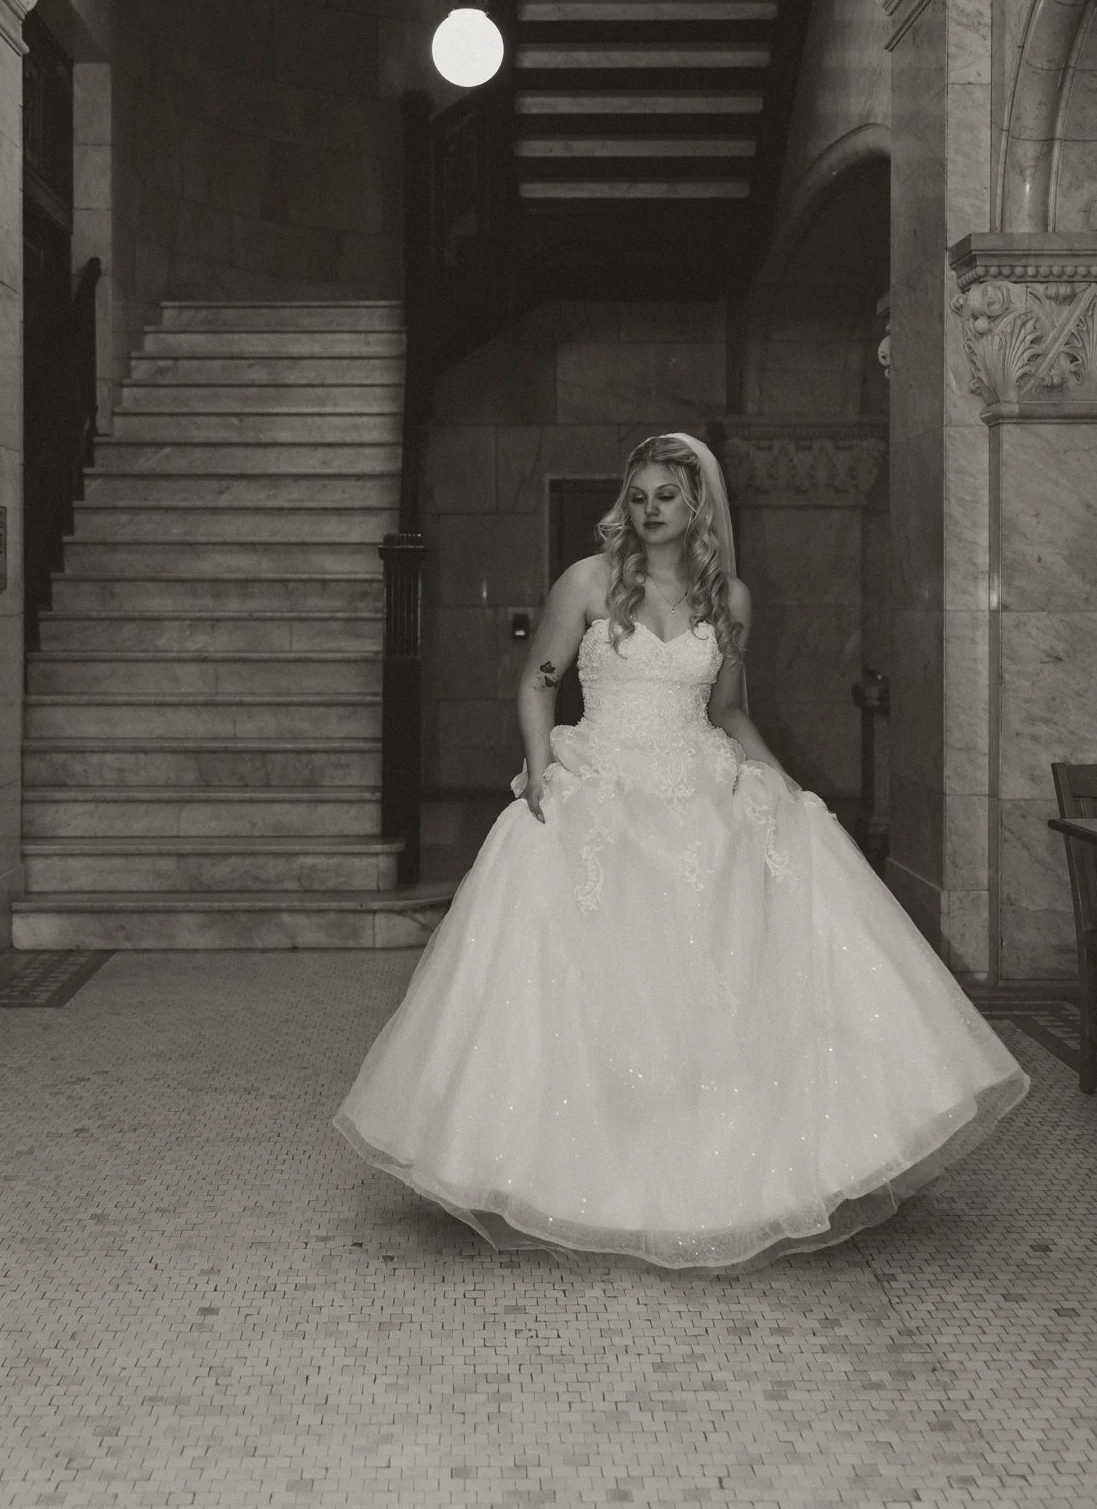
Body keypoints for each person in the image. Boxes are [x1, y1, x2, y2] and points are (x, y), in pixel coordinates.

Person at [334, 433, 1028, 1272]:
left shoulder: (727, 599)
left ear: (696, 507)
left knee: (714, 977)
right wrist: (541, 768)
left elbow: (729, 712)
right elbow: (537, 681)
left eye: (666, 495)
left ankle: (713, 1169)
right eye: (637, 495)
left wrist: (789, 788)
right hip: (600, 784)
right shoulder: (587, 582)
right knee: (592, 977)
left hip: (697, 787)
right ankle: (563, 1170)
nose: (649, 509)